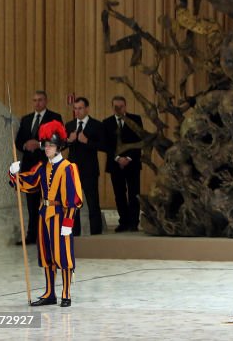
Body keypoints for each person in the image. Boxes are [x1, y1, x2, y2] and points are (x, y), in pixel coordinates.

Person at [8, 120, 83, 307]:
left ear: (59, 147)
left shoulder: (68, 168)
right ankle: (50, 293)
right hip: (44, 215)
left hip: (60, 216)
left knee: (63, 256)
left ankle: (66, 293)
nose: (46, 148)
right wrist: (14, 174)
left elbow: (73, 199)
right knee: (47, 255)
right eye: (45, 145)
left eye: (50, 145)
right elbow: (30, 182)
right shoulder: (43, 167)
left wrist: (68, 223)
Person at [14, 91, 62, 245]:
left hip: (47, 166)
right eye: (34, 100)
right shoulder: (26, 119)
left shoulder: (55, 117)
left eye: (40, 100)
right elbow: (18, 141)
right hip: (29, 168)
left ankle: (50, 236)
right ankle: (31, 235)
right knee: (31, 204)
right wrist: (25, 145)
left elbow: (59, 142)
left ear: (46, 100)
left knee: (49, 202)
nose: (37, 103)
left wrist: (40, 145)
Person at [103, 96, 143, 231]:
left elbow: (140, 141)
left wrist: (128, 158)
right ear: (112, 107)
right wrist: (118, 158)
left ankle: (133, 223)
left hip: (133, 163)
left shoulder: (135, 120)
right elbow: (107, 145)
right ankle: (123, 222)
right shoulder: (107, 122)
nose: (118, 108)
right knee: (119, 194)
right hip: (115, 165)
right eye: (116, 106)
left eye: (121, 106)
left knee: (134, 194)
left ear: (125, 106)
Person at [66, 97, 105, 236]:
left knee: (93, 204)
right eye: (75, 108)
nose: (77, 111)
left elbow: (104, 146)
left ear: (87, 109)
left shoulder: (96, 125)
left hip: (89, 170)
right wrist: (69, 140)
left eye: (80, 108)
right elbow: (62, 145)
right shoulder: (69, 125)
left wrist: (87, 141)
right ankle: (74, 235)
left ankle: (96, 235)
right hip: (72, 171)